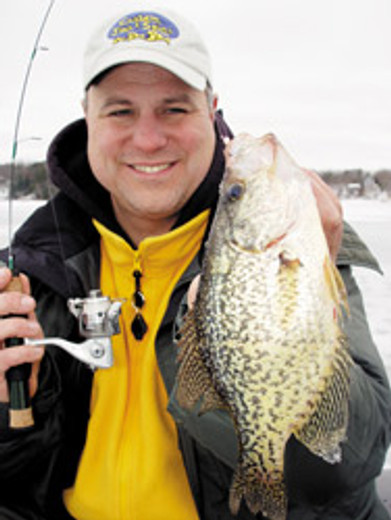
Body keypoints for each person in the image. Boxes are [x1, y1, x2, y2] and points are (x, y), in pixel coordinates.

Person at [0, 5, 390, 520]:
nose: (147, 139)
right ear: (87, 116)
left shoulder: (299, 237)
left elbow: (344, 465)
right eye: (120, 111)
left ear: (212, 109)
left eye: (174, 109)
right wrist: (14, 412)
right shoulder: (31, 271)